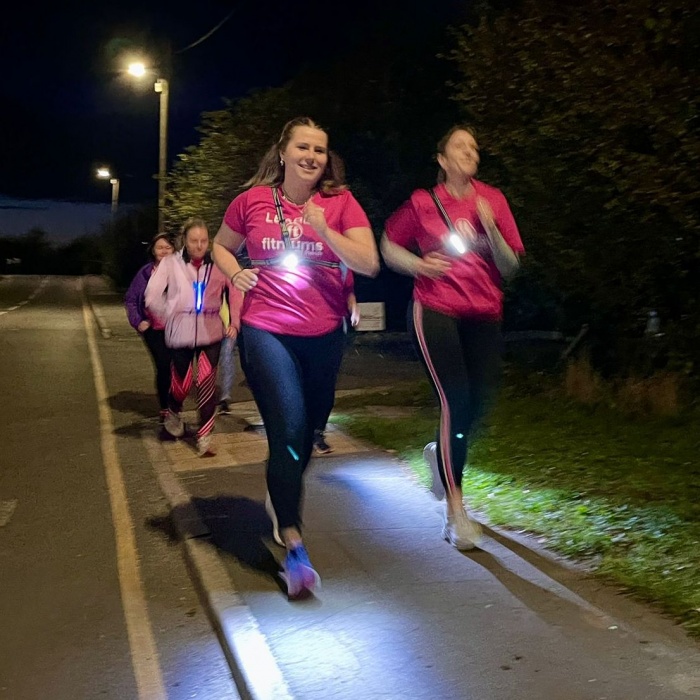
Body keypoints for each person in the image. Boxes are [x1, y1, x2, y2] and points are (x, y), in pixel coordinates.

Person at [212, 116, 379, 599]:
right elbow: (223, 249)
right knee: (286, 426)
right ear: (283, 152)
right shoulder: (251, 202)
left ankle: (280, 490)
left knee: (307, 432)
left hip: (324, 333)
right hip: (267, 329)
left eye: (320, 150)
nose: (311, 156)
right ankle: (294, 544)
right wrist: (235, 273)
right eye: (302, 147)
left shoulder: (340, 203)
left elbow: (368, 262)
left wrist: (325, 228)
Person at [381, 125, 524, 550]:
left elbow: (511, 265)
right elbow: (389, 244)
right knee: (455, 400)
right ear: (442, 160)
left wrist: (489, 227)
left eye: (474, 146)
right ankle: (456, 512)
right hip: (436, 307)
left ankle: (437, 454)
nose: (470, 151)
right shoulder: (424, 202)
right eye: (460, 146)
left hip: (484, 312)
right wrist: (419, 266)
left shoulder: (493, 199)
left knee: (478, 404)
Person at [145, 217, 243, 457]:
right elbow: (151, 295)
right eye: (194, 241)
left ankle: (204, 437)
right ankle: (173, 410)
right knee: (182, 383)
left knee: (207, 382)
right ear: (185, 242)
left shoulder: (220, 262)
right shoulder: (171, 263)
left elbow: (237, 288)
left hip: (211, 330)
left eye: (203, 240)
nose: (199, 245)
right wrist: (169, 312)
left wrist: (235, 322)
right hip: (181, 331)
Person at [124, 232, 176, 423]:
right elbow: (131, 299)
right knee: (163, 365)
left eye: (168, 247)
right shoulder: (145, 273)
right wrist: (138, 321)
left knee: (178, 368)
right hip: (154, 329)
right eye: (159, 247)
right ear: (153, 250)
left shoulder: (182, 272)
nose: (163, 251)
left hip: (177, 328)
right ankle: (165, 407)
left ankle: (174, 405)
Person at [312, 269, 360, 454]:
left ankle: (318, 432)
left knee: (326, 383)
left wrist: (354, 308)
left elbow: (348, 290)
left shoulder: (341, 263)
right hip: (299, 328)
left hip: (333, 329)